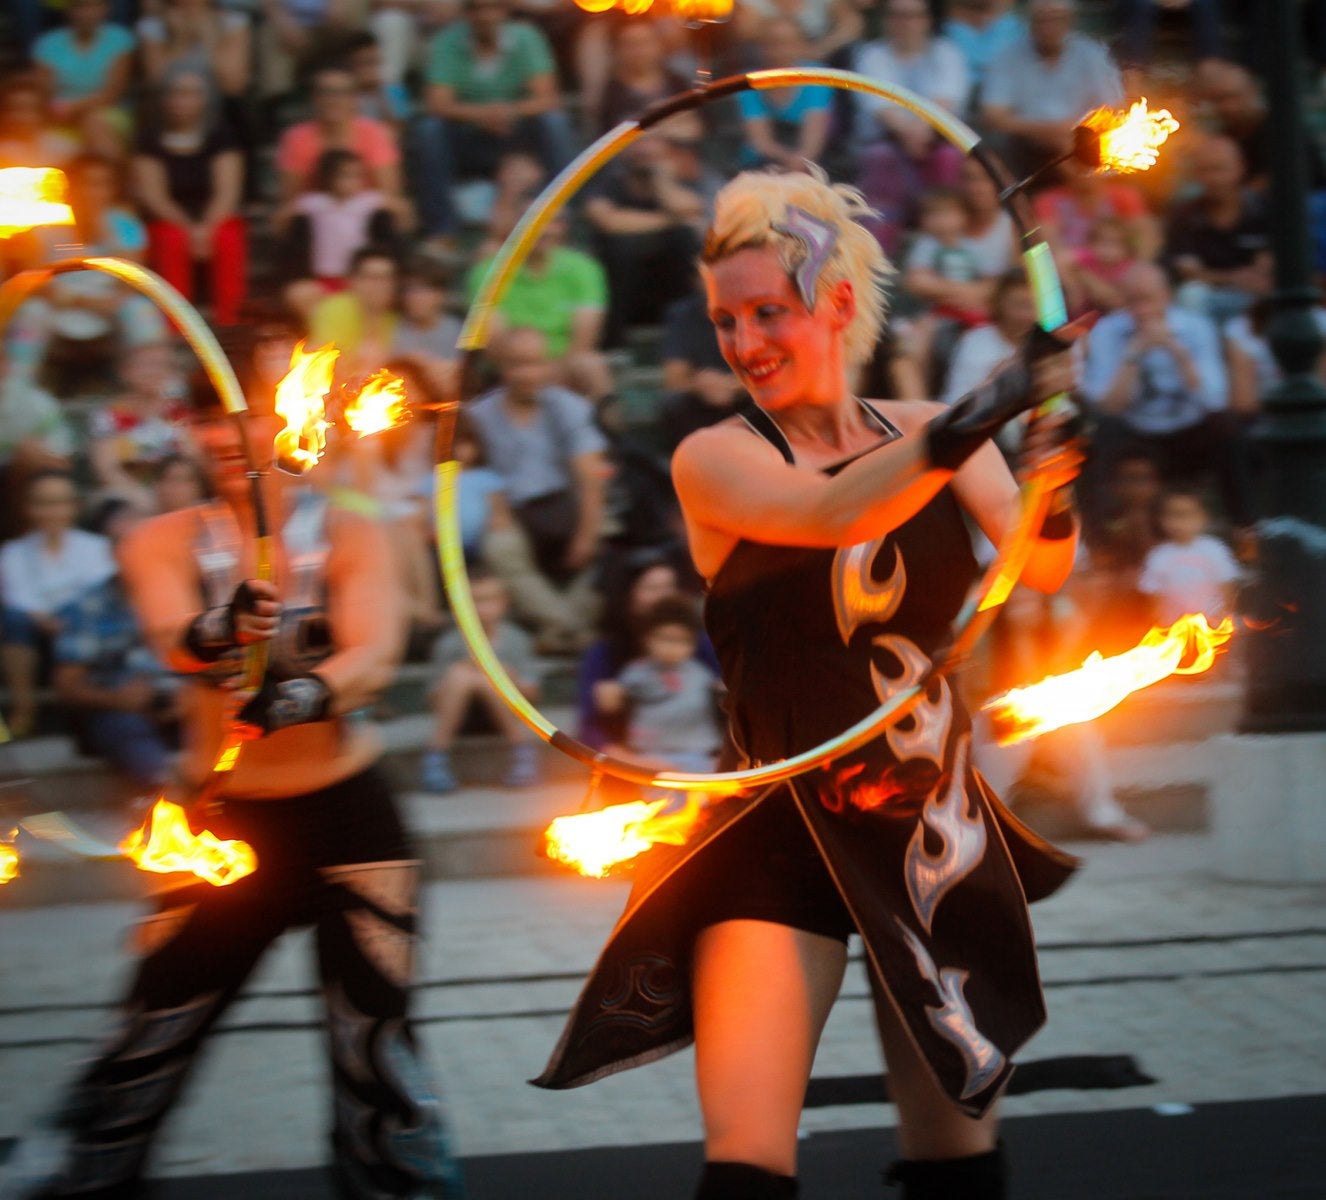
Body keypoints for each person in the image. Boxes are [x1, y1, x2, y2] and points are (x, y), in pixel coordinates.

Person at [535, 168, 1082, 1199]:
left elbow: (1045, 565)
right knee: (744, 1173)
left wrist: (1052, 470)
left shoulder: (935, 427)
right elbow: (831, 515)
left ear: (834, 305)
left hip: (931, 832)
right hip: (777, 829)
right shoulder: (717, 458)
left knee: (960, 1173)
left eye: (766, 313)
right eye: (725, 321)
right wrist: (983, 413)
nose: (743, 344)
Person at [0, 328, 465, 1199]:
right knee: (146, 1042)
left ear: (288, 417)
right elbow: (175, 637)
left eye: (242, 415)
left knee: (376, 1056)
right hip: (218, 828)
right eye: (206, 417)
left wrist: (294, 696)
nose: (221, 438)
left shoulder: (360, 532)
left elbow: (369, 656)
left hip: (350, 824)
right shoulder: (157, 539)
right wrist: (222, 631)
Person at [464, 326, 608, 651]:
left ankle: (557, 631)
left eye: (535, 363)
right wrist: (500, 511)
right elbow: (474, 474)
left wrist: (586, 533)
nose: (526, 374)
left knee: (610, 542)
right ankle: (571, 629)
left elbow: (590, 476)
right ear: (502, 367)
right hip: (510, 511)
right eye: (517, 364)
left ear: (550, 365)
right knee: (500, 548)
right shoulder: (479, 415)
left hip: (566, 504)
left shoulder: (570, 408)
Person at [1079, 261, 1247, 526]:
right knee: (1098, 435)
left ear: (1166, 296)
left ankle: (1243, 526)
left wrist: (1177, 351)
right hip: (1136, 429)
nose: (1142, 309)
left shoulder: (1196, 328)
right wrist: (1134, 352)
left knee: (1228, 429)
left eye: (1148, 300)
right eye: (1133, 301)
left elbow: (1214, 399)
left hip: (1187, 428)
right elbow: (1107, 405)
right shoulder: (1107, 331)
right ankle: (1100, 533)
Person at [52, 500, 180, 794]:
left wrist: (190, 699)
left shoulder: (183, 596)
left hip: (180, 706)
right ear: (112, 552)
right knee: (124, 729)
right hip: (118, 711)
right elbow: (67, 685)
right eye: (126, 544)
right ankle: (169, 795)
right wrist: (117, 698)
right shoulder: (87, 606)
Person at [0, 470, 117, 738]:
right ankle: (24, 709)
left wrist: (71, 621)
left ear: (73, 506)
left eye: (60, 502)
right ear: (30, 508)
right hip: (36, 633)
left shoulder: (96, 547)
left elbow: (98, 597)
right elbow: (19, 600)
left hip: (85, 631)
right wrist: (51, 622)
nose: (53, 511)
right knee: (14, 620)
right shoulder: (13, 553)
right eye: (44, 503)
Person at [132, 70, 248, 327]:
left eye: (192, 93)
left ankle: (231, 322)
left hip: (213, 215)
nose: (183, 100)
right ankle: (176, 327)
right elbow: (154, 195)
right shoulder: (149, 140)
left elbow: (228, 190)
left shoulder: (222, 138)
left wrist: (205, 228)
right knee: (172, 238)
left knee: (228, 234)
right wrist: (189, 228)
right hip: (168, 218)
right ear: (164, 99)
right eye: (177, 93)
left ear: (206, 99)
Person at [851, 0, 968, 252]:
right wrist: (910, 133)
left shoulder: (947, 52)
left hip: (935, 140)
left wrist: (920, 133)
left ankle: (941, 243)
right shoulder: (872, 55)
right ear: (887, 20)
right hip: (887, 139)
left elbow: (945, 102)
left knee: (948, 157)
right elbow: (881, 108)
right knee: (880, 156)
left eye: (913, 16)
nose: (905, 23)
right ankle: (879, 247)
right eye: (898, 16)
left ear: (927, 20)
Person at [417, 568, 542, 793]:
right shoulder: (449, 643)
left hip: (505, 714)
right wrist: (464, 669)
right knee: (460, 674)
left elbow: (532, 694)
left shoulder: (516, 640)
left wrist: (501, 673)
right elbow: (434, 699)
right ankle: (436, 754)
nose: (482, 608)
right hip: (460, 718)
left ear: (503, 602)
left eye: (489, 599)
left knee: (490, 675)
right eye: (474, 600)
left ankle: (522, 751)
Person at [980, 0, 1123, 180]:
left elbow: (1113, 109)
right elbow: (993, 117)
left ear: (1070, 20)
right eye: (1041, 19)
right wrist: (1053, 131)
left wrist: (1073, 135)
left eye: (1056, 19)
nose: (1048, 27)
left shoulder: (1092, 55)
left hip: (1081, 144)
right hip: (1026, 145)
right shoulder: (1008, 57)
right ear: (1030, 22)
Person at [592, 593, 724, 773]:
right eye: (664, 638)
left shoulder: (700, 672)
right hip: (651, 754)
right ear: (647, 638)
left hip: (699, 752)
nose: (671, 647)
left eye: (681, 640)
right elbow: (613, 703)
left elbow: (718, 696)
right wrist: (610, 698)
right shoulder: (636, 672)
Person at [1165, 136, 1271, 329]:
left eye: (1220, 169)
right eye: (1205, 170)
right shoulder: (1184, 215)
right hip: (1210, 297)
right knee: (1191, 294)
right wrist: (1233, 278)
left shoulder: (1265, 209)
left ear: (1240, 168)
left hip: (1256, 296)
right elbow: (1189, 272)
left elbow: (1267, 267)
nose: (1213, 179)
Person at [87, 341, 191, 513]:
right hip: (128, 496)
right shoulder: (109, 415)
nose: (153, 372)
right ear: (125, 371)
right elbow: (106, 468)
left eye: (161, 365)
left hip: (178, 490)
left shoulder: (180, 411)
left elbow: (192, 458)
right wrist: (141, 495)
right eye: (144, 365)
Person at [31, 0, 135, 160]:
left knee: (92, 122)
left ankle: (119, 178)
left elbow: (111, 95)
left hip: (108, 111)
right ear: (69, 10)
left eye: (94, 6)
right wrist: (60, 111)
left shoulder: (120, 38)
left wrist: (73, 108)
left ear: (106, 8)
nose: (87, 13)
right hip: (61, 116)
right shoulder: (49, 43)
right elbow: (43, 92)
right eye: (80, 7)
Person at [1139, 487, 1240, 625]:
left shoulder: (1215, 549)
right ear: (1161, 519)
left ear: (1204, 517)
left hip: (1212, 625)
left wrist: (1225, 613)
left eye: (1187, 514)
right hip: (1174, 628)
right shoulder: (1158, 555)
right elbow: (1154, 594)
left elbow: (1226, 585)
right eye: (1173, 515)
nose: (1180, 522)